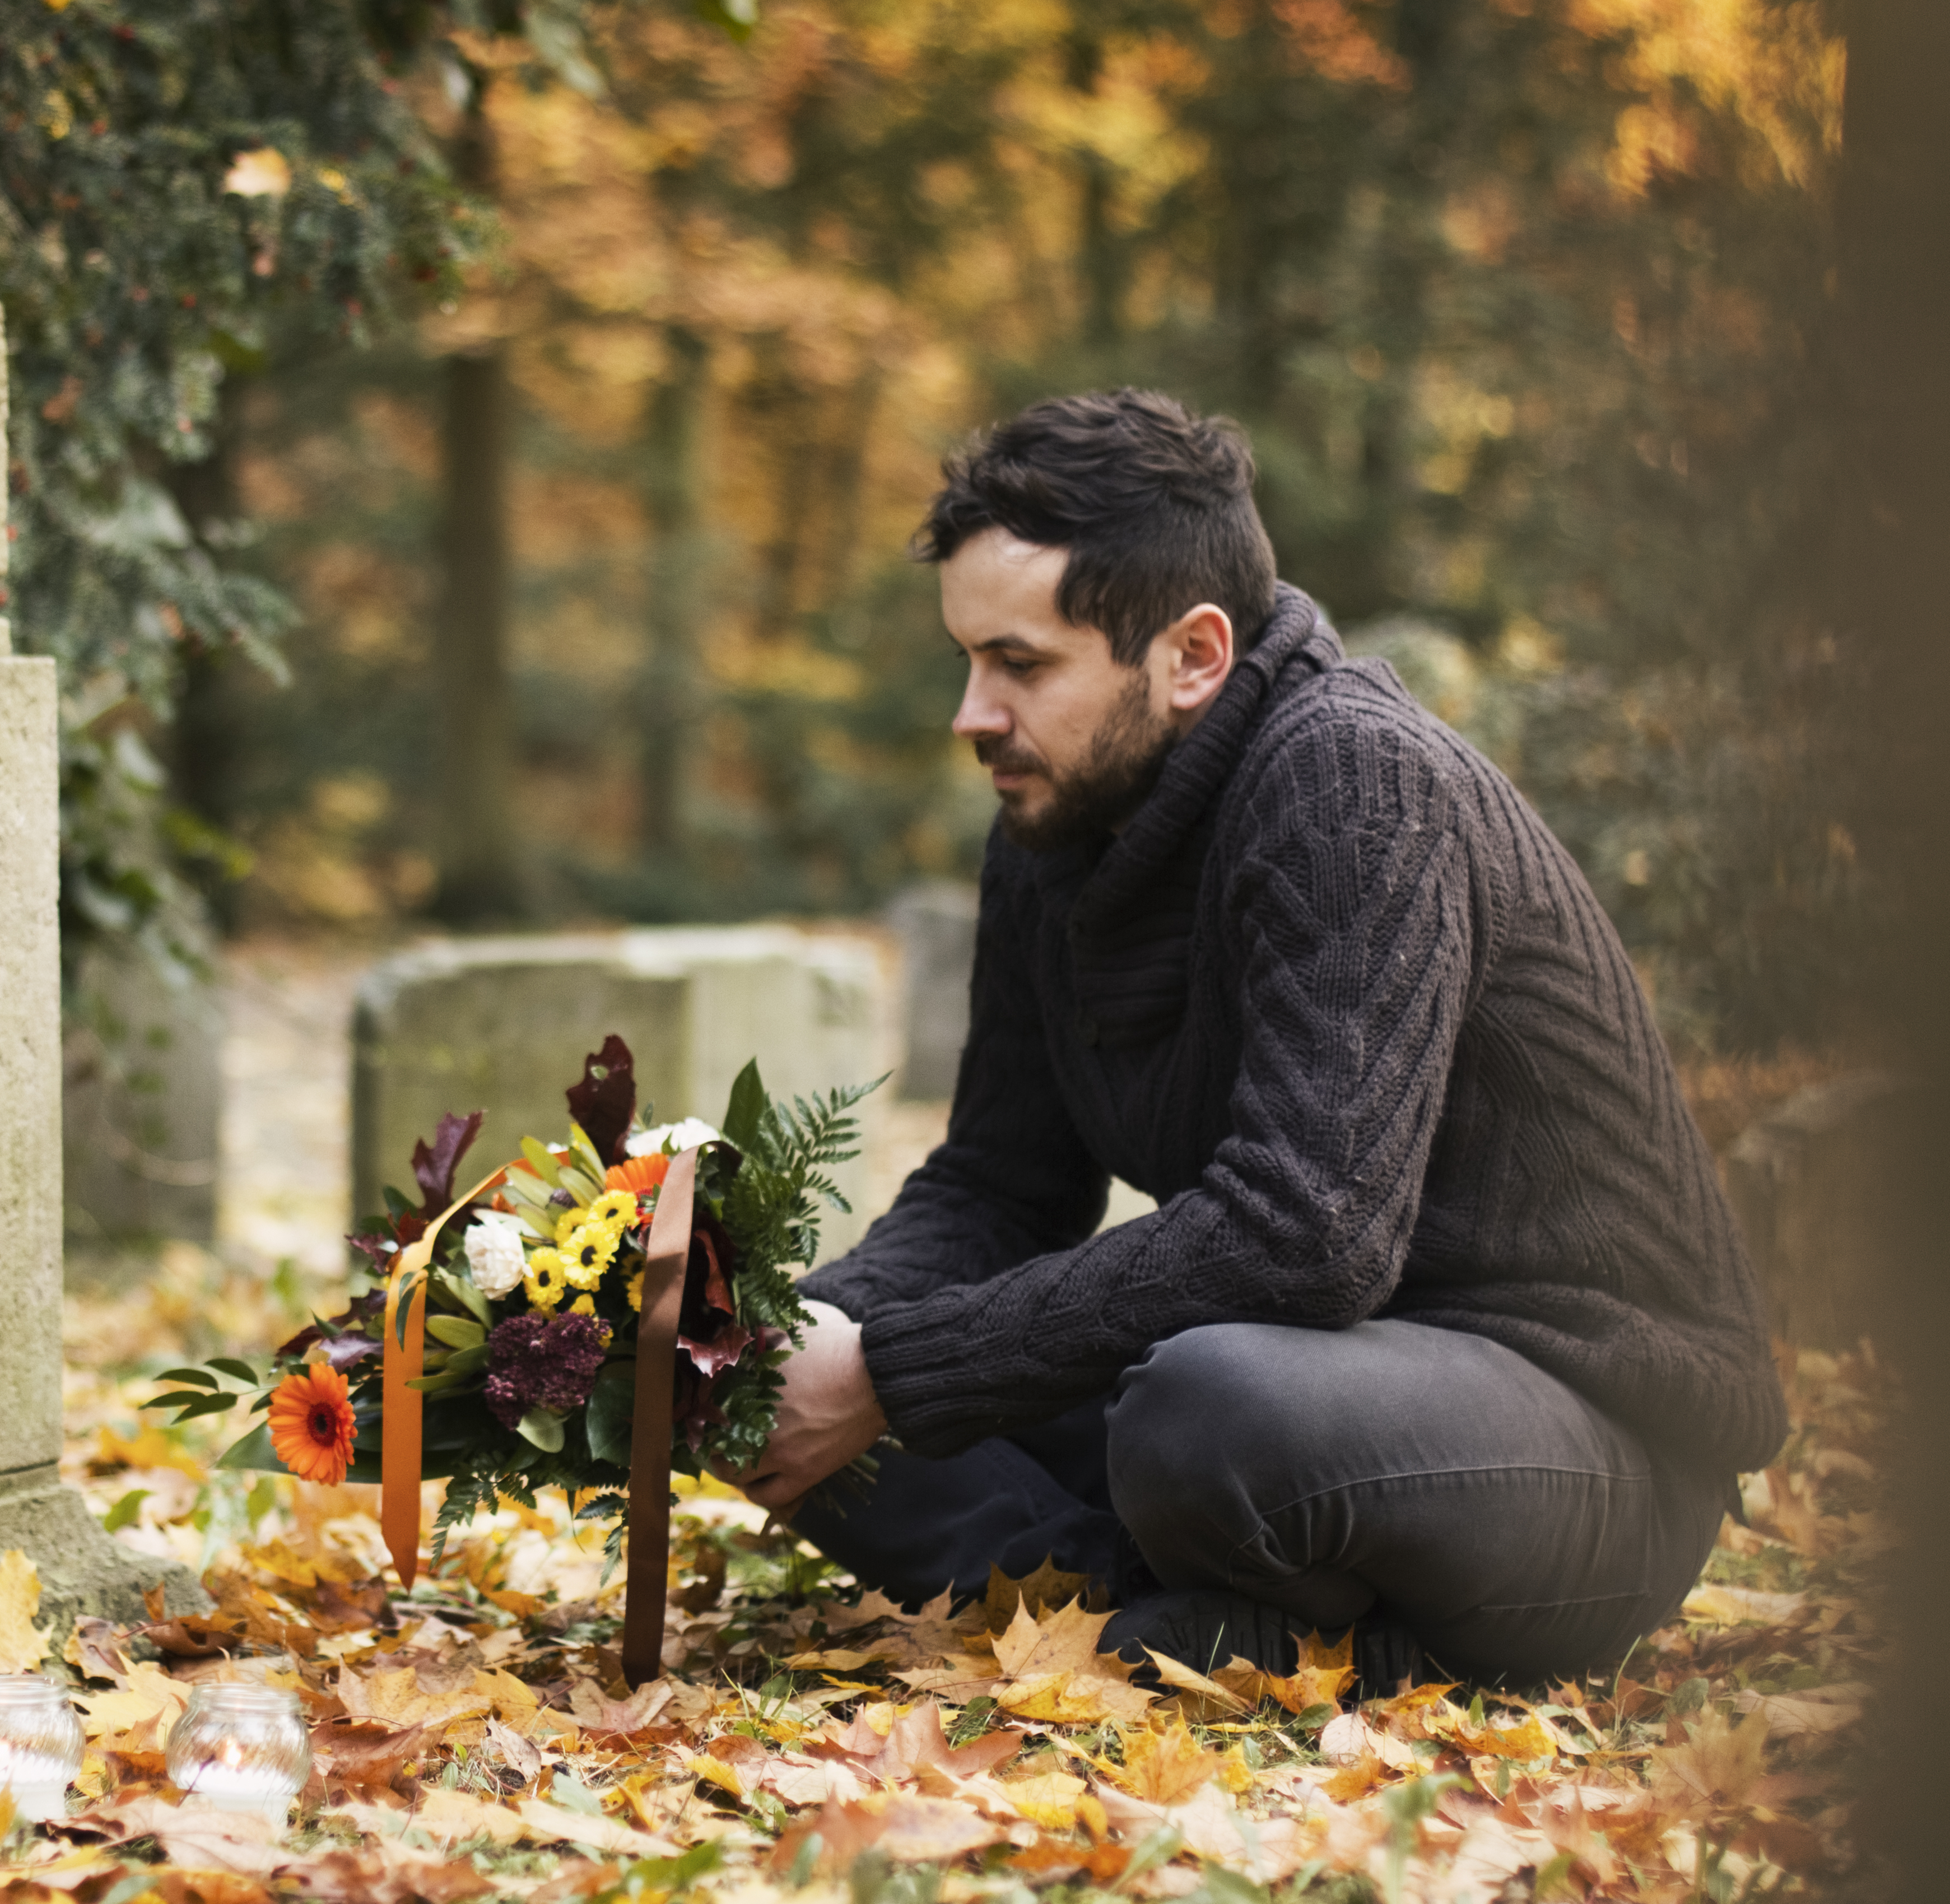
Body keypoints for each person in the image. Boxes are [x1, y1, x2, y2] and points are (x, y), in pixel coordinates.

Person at [721, 389, 1786, 1690]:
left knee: (1198, 1406)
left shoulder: (1352, 782)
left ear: (1192, 654)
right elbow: (1001, 1182)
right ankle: (1137, 1619)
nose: (971, 714)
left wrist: (890, 1366)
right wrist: (799, 1332)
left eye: (1020, 663)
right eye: (964, 660)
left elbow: (1309, 1230)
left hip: (1577, 1436)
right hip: (1321, 1383)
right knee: (779, 1384)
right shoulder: (1052, 829)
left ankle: (1267, 1625)